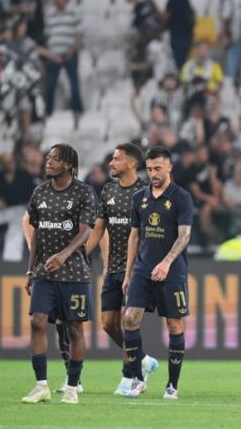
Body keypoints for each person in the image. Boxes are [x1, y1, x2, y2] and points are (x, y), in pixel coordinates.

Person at [21, 144, 96, 405]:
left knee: (74, 329)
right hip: (44, 272)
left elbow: (86, 231)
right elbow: (37, 232)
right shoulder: (39, 192)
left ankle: (73, 386)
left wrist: (64, 255)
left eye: (54, 158)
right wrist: (31, 270)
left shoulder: (84, 192)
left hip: (74, 273)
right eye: (48, 157)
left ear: (68, 165)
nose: (48, 161)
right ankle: (41, 385)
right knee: (37, 322)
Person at [121, 146, 194, 400]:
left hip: (172, 271)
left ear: (169, 167)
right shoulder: (139, 197)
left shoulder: (181, 197)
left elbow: (184, 235)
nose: (153, 173)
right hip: (142, 269)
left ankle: (172, 385)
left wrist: (166, 262)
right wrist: (129, 273)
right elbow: (134, 236)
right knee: (129, 319)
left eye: (157, 168)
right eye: (149, 169)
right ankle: (137, 379)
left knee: (174, 326)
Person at [84, 143, 156, 396]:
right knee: (107, 324)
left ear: (131, 163)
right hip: (112, 267)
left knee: (128, 322)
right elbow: (98, 228)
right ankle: (142, 359)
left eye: (116, 159)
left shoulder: (146, 192)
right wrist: (82, 254)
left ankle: (132, 377)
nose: (111, 163)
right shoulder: (108, 190)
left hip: (136, 269)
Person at [41, 0, 83, 125]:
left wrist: (71, 50)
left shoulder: (73, 12)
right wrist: (51, 53)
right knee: (50, 84)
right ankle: (48, 112)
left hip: (70, 53)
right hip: (54, 55)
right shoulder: (50, 13)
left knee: (74, 83)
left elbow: (78, 34)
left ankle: (77, 110)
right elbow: (48, 36)